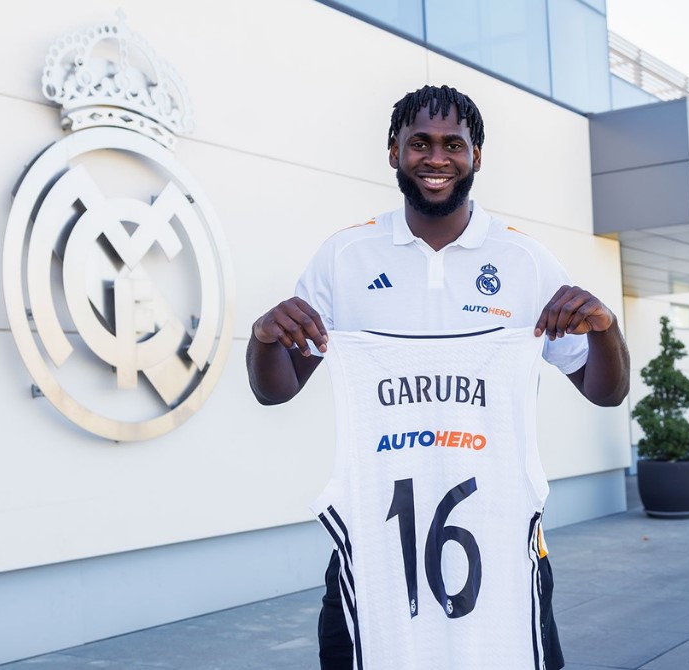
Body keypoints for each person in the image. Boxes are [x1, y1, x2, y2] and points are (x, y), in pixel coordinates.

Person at [246, 84, 630, 670]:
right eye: (419, 142)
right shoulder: (346, 255)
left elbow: (607, 392)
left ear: (477, 156)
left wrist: (604, 329)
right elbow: (276, 390)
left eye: (454, 144)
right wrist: (263, 338)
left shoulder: (524, 260)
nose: (436, 158)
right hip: (373, 544)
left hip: (503, 542)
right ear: (393, 151)